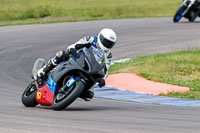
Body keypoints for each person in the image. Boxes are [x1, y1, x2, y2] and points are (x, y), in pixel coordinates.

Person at [36, 28, 117, 101]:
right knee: (62, 54)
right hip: (78, 59)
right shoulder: (91, 40)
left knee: (89, 96)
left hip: (90, 69)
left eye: (110, 43)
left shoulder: (108, 55)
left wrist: (103, 79)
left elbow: (106, 69)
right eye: (106, 42)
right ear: (101, 37)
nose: (107, 44)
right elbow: (76, 44)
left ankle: (73, 92)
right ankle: (43, 70)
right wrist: (72, 49)